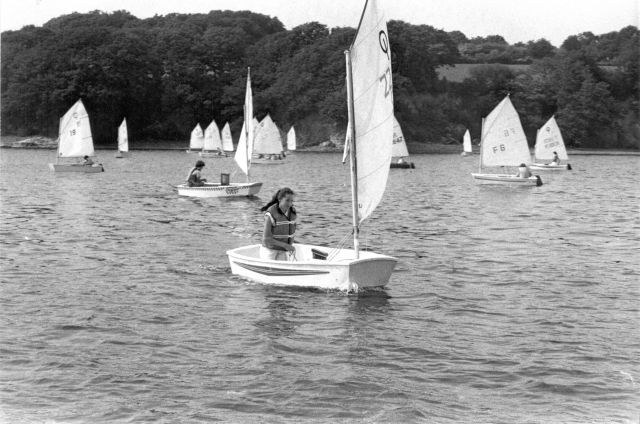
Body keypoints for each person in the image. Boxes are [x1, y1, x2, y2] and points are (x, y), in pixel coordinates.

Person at [260, 187, 297, 261]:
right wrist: (286, 245)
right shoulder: (271, 213)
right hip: (269, 251)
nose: (290, 204)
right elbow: (266, 239)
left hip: (282, 250)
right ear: (280, 199)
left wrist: (289, 245)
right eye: (287, 200)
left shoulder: (292, 212)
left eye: (291, 201)